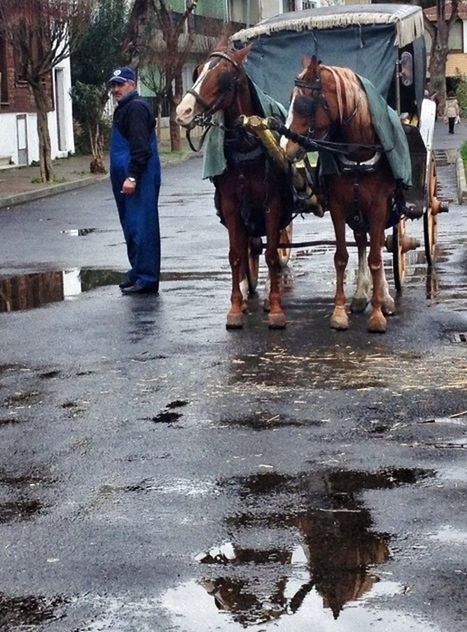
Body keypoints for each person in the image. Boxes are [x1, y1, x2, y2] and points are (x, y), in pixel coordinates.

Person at [109, 66, 161, 295]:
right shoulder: (124, 109)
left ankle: (147, 278)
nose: (116, 89)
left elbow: (140, 148)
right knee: (131, 226)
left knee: (142, 227)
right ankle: (137, 271)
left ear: (132, 84)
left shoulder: (136, 108)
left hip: (139, 177)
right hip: (127, 177)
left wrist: (132, 176)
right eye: (114, 85)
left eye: (120, 84)